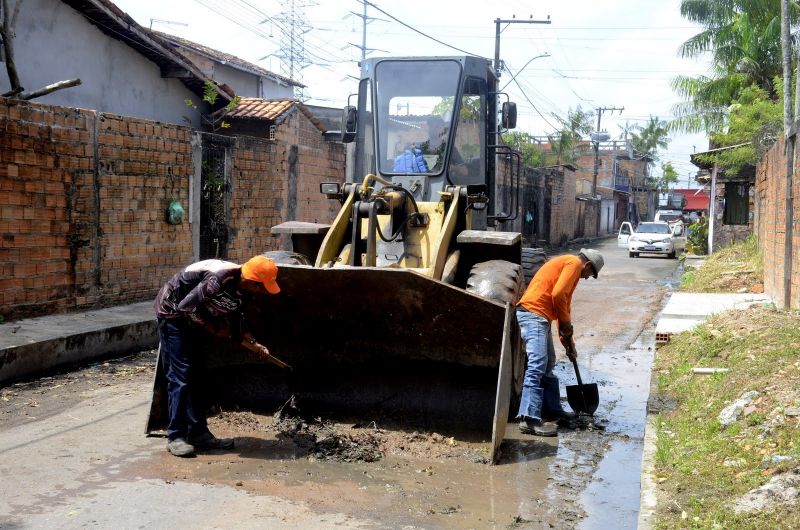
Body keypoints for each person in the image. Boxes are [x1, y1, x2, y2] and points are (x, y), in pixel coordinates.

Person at [154, 255, 282, 457]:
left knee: (198, 375)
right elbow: (185, 307)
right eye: (260, 286)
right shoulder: (217, 280)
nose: (261, 291)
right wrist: (213, 328)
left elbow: (235, 316)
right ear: (250, 280)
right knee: (180, 377)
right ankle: (176, 437)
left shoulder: (245, 289)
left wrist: (252, 342)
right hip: (173, 315)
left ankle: (198, 433)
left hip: (196, 319)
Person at [516, 248, 604, 436]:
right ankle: (529, 419)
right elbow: (558, 295)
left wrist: (568, 341)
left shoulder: (568, 267)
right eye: (591, 274)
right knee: (537, 366)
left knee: (548, 365)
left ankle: (552, 410)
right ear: (587, 265)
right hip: (533, 314)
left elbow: (562, 307)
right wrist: (565, 324)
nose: (588, 278)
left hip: (541, 316)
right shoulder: (573, 263)